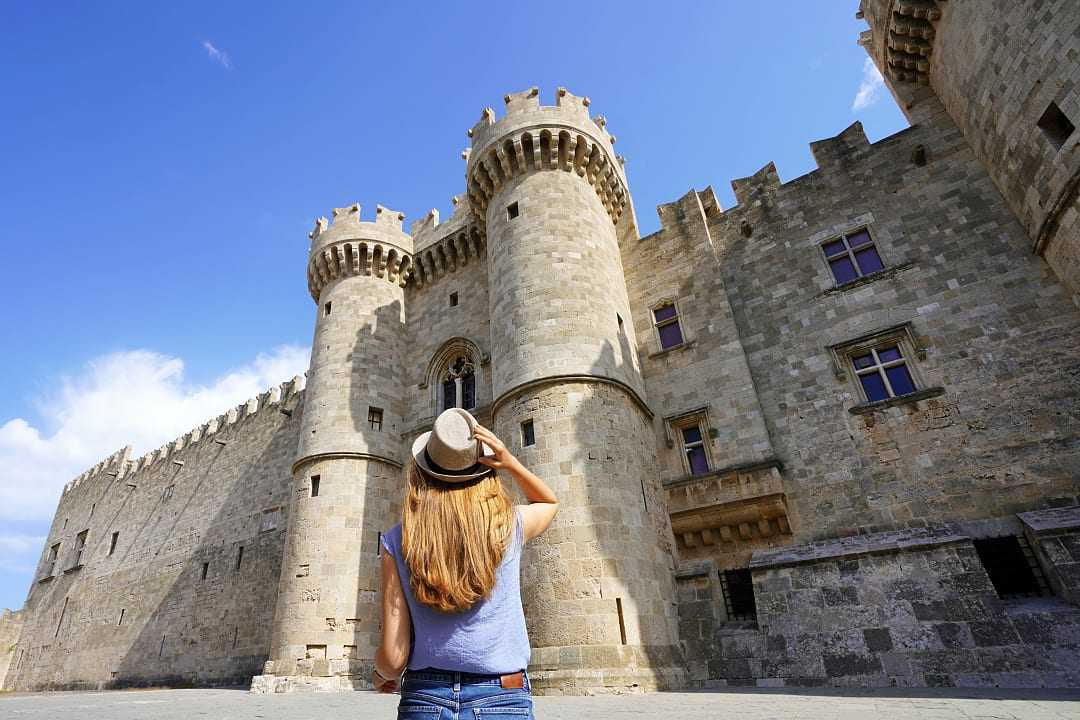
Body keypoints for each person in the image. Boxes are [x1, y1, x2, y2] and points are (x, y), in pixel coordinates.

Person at [374, 407, 558, 719]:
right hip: (503, 694)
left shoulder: (397, 541)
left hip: (425, 697)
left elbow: (393, 658)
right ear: (484, 470)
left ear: (423, 473)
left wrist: (381, 674)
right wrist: (510, 462)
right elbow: (548, 502)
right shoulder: (509, 527)